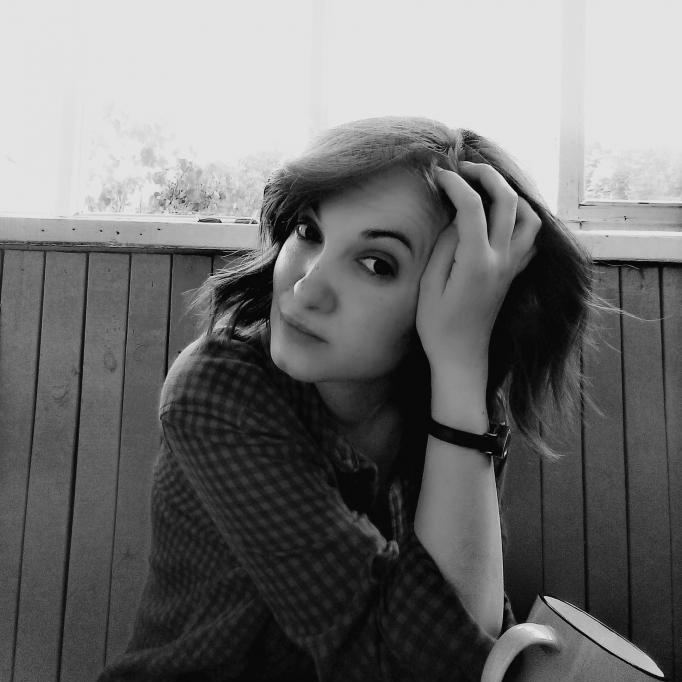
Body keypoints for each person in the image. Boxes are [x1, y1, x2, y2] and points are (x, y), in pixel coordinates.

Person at [98, 116, 596, 681]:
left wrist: (461, 370)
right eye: (309, 230)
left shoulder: (457, 408)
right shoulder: (218, 391)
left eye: (376, 264)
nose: (306, 288)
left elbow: (467, 645)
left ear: (458, 294)